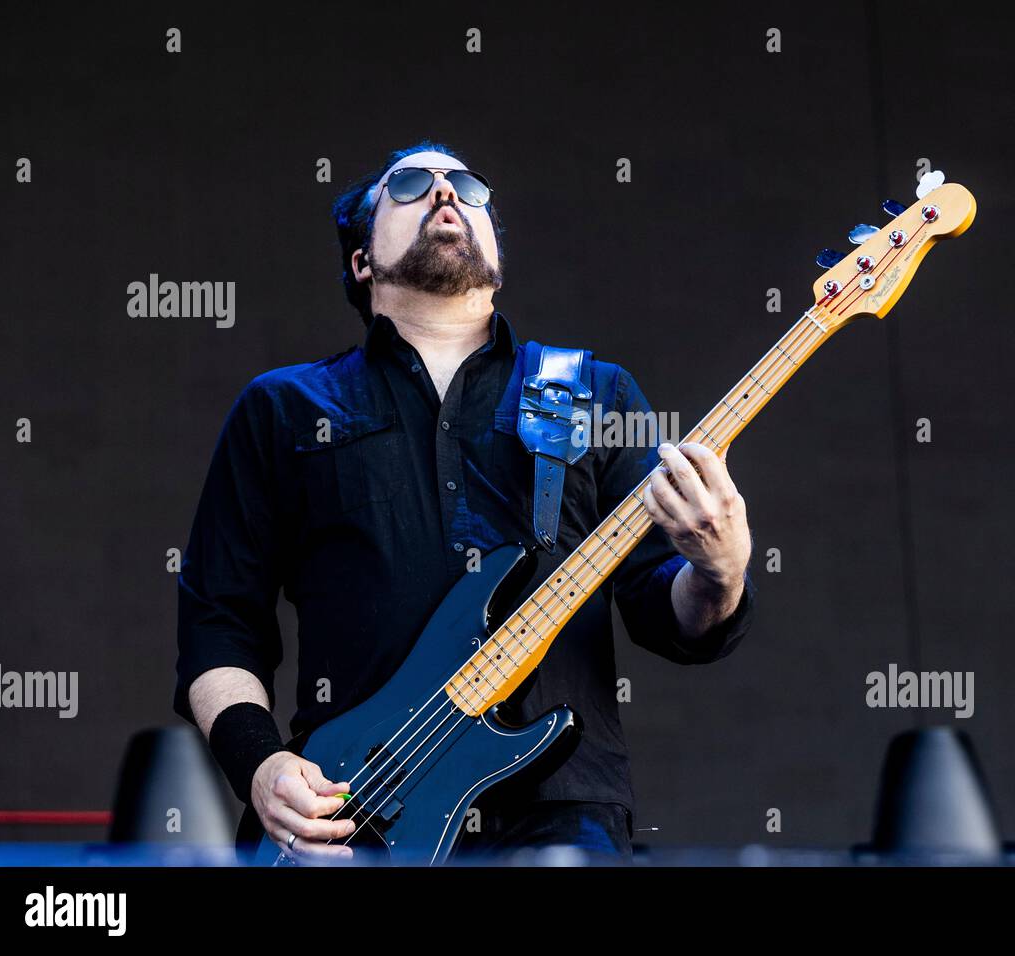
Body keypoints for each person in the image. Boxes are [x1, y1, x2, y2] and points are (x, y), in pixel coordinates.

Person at [173, 140, 756, 864]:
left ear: (496, 259)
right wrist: (259, 766)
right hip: (353, 808)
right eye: (411, 184)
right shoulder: (284, 407)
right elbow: (218, 622)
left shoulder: (596, 394)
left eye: (469, 187)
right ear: (362, 260)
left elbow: (662, 611)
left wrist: (720, 572)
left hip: (559, 816)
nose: (447, 195)